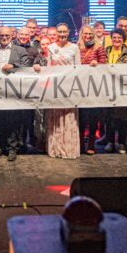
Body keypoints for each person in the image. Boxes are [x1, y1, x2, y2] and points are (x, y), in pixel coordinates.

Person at [39, 23, 81, 159]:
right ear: (56, 33)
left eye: (64, 32)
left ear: (68, 32)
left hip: (70, 87)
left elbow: (78, 68)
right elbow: (49, 68)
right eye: (59, 32)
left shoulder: (75, 48)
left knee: (69, 117)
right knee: (55, 118)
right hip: (55, 88)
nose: (62, 34)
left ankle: (69, 149)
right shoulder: (51, 48)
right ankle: (55, 148)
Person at [0, 26, 28, 161]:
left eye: (7, 36)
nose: (4, 38)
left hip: (13, 90)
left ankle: (12, 148)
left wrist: (13, 66)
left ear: (12, 36)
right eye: (2, 35)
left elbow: (26, 68)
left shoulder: (20, 50)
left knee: (13, 120)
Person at [104, 28, 127, 153]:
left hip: (123, 90)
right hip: (107, 89)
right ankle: (110, 141)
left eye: (119, 38)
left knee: (123, 118)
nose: (116, 40)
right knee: (109, 117)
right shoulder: (105, 51)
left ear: (123, 40)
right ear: (111, 39)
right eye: (114, 38)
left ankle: (122, 143)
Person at [77, 25, 107, 155]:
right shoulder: (76, 47)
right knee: (81, 118)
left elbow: (104, 64)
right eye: (85, 34)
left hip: (94, 87)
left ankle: (91, 144)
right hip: (80, 86)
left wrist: (98, 65)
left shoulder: (99, 47)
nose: (87, 36)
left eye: (90, 34)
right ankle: (80, 145)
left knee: (93, 117)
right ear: (81, 35)